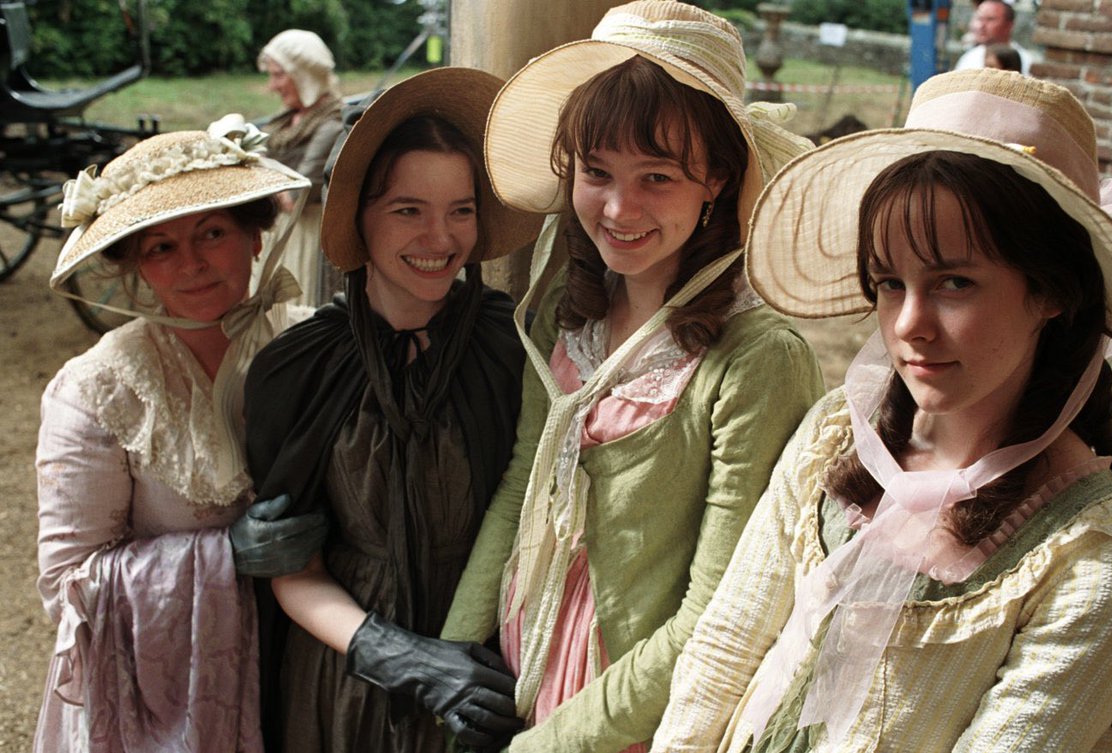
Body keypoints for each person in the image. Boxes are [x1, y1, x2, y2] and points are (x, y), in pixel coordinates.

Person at [652, 68, 1112, 753]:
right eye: (890, 283)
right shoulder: (834, 439)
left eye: (954, 282)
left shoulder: (1090, 565)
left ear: (1052, 292)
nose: (909, 324)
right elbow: (721, 652)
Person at [439, 3, 825, 751]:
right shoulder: (565, 304)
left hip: (634, 707)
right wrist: (456, 651)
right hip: (528, 658)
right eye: (597, 172)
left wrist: (548, 743)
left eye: (657, 177)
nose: (619, 208)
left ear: (715, 177)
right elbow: (527, 478)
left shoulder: (755, 357)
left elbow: (720, 613)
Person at [238, 68, 543, 753]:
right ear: (358, 216)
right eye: (409, 208)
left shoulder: (511, 348)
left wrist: (472, 666)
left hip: (492, 679)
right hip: (343, 683)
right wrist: (389, 652)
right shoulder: (299, 369)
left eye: (461, 209)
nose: (440, 236)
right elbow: (291, 567)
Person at [34, 117, 320, 751]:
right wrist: (226, 557)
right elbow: (68, 587)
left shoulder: (314, 344)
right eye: (160, 247)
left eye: (212, 232)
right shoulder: (98, 390)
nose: (190, 264)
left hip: (308, 669)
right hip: (169, 703)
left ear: (255, 235)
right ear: (138, 265)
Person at [258, 29, 344, 306]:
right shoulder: (287, 121)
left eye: (278, 75)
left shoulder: (331, 124)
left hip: (303, 242)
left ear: (303, 75)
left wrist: (256, 175)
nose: (272, 86)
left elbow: (296, 198)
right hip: (277, 236)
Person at [955, 0, 1031, 75]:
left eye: (990, 19)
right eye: (980, 19)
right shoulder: (969, 59)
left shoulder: (1026, 62)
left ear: (1009, 25)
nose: (981, 26)